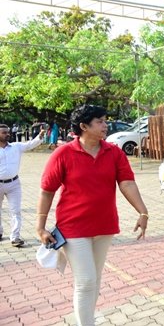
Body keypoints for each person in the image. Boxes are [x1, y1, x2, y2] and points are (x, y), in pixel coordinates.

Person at [36, 104, 149, 325]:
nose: (105, 125)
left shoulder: (114, 152)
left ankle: (87, 320)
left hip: (104, 226)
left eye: (105, 121)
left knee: (94, 280)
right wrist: (40, 227)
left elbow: (127, 183)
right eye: (100, 122)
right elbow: (47, 191)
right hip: (73, 227)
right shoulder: (63, 154)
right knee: (86, 281)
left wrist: (143, 212)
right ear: (84, 126)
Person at [0, 124, 45, 246]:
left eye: (8, 132)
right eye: (4, 132)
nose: (7, 134)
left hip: (14, 184)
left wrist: (40, 136)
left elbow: (30, 144)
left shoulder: (16, 147)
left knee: (16, 211)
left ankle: (15, 237)